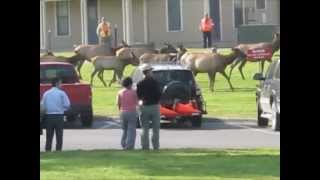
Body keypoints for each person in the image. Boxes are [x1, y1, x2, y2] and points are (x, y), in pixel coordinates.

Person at [40, 78, 70, 152]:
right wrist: (62, 109)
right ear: (57, 83)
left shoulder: (46, 93)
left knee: (49, 136)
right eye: (60, 83)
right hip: (59, 116)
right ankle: (58, 151)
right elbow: (67, 105)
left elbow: (42, 106)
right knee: (59, 136)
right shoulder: (62, 93)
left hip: (49, 116)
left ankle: (48, 150)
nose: (61, 85)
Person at [137, 64, 162, 150]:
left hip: (144, 106)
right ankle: (155, 146)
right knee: (156, 129)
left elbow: (138, 95)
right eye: (151, 71)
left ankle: (145, 146)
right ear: (148, 72)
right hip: (155, 106)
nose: (152, 72)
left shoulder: (140, 83)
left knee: (145, 128)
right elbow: (159, 94)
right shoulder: (155, 82)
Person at [117, 77, 139, 150]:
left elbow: (118, 103)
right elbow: (137, 102)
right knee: (131, 130)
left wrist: (120, 111)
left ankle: (123, 143)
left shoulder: (120, 92)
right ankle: (129, 146)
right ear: (130, 84)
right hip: (131, 112)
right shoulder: (134, 92)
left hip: (123, 112)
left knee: (125, 129)